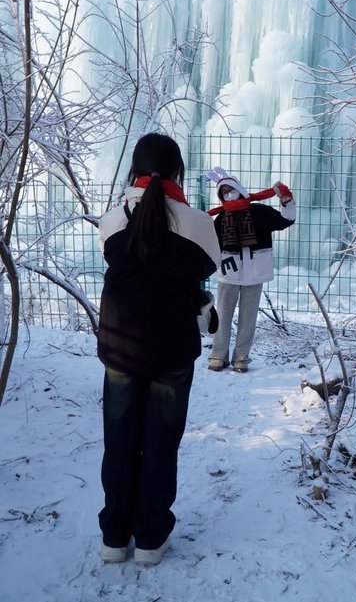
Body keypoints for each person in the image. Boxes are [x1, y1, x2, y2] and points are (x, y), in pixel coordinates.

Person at [96, 133, 220, 566]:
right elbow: (206, 268)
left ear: (133, 169)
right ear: (177, 172)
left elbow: (120, 262)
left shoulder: (112, 220)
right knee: (161, 442)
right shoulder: (201, 224)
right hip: (170, 348)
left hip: (119, 346)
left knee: (120, 439)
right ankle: (150, 538)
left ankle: (114, 537)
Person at [206, 166, 296, 373]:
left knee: (249, 318)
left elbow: (286, 220)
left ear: (239, 188)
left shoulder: (260, 212)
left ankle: (241, 358)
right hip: (229, 273)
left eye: (231, 189)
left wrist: (287, 202)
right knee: (223, 316)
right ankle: (218, 356)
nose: (229, 194)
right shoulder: (220, 219)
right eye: (224, 191)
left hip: (255, 273)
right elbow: (212, 244)